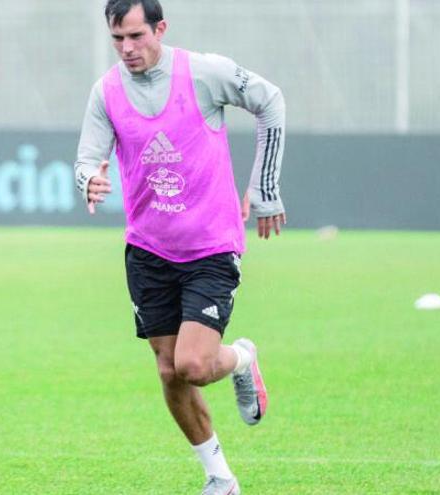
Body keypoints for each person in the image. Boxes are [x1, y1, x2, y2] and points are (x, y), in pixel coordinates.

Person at [74, 1, 286, 493]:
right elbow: (87, 158)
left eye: (135, 36)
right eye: (117, 40)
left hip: (211, 248)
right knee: (170, 371)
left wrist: (266, 188)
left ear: (160, 29)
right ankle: (220, 478)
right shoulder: (106, 92)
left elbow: (270, 101)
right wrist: (88, 181)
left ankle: (241, 359)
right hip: (148, 251)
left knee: (194, 365)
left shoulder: (205, 73)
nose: (127, 49)